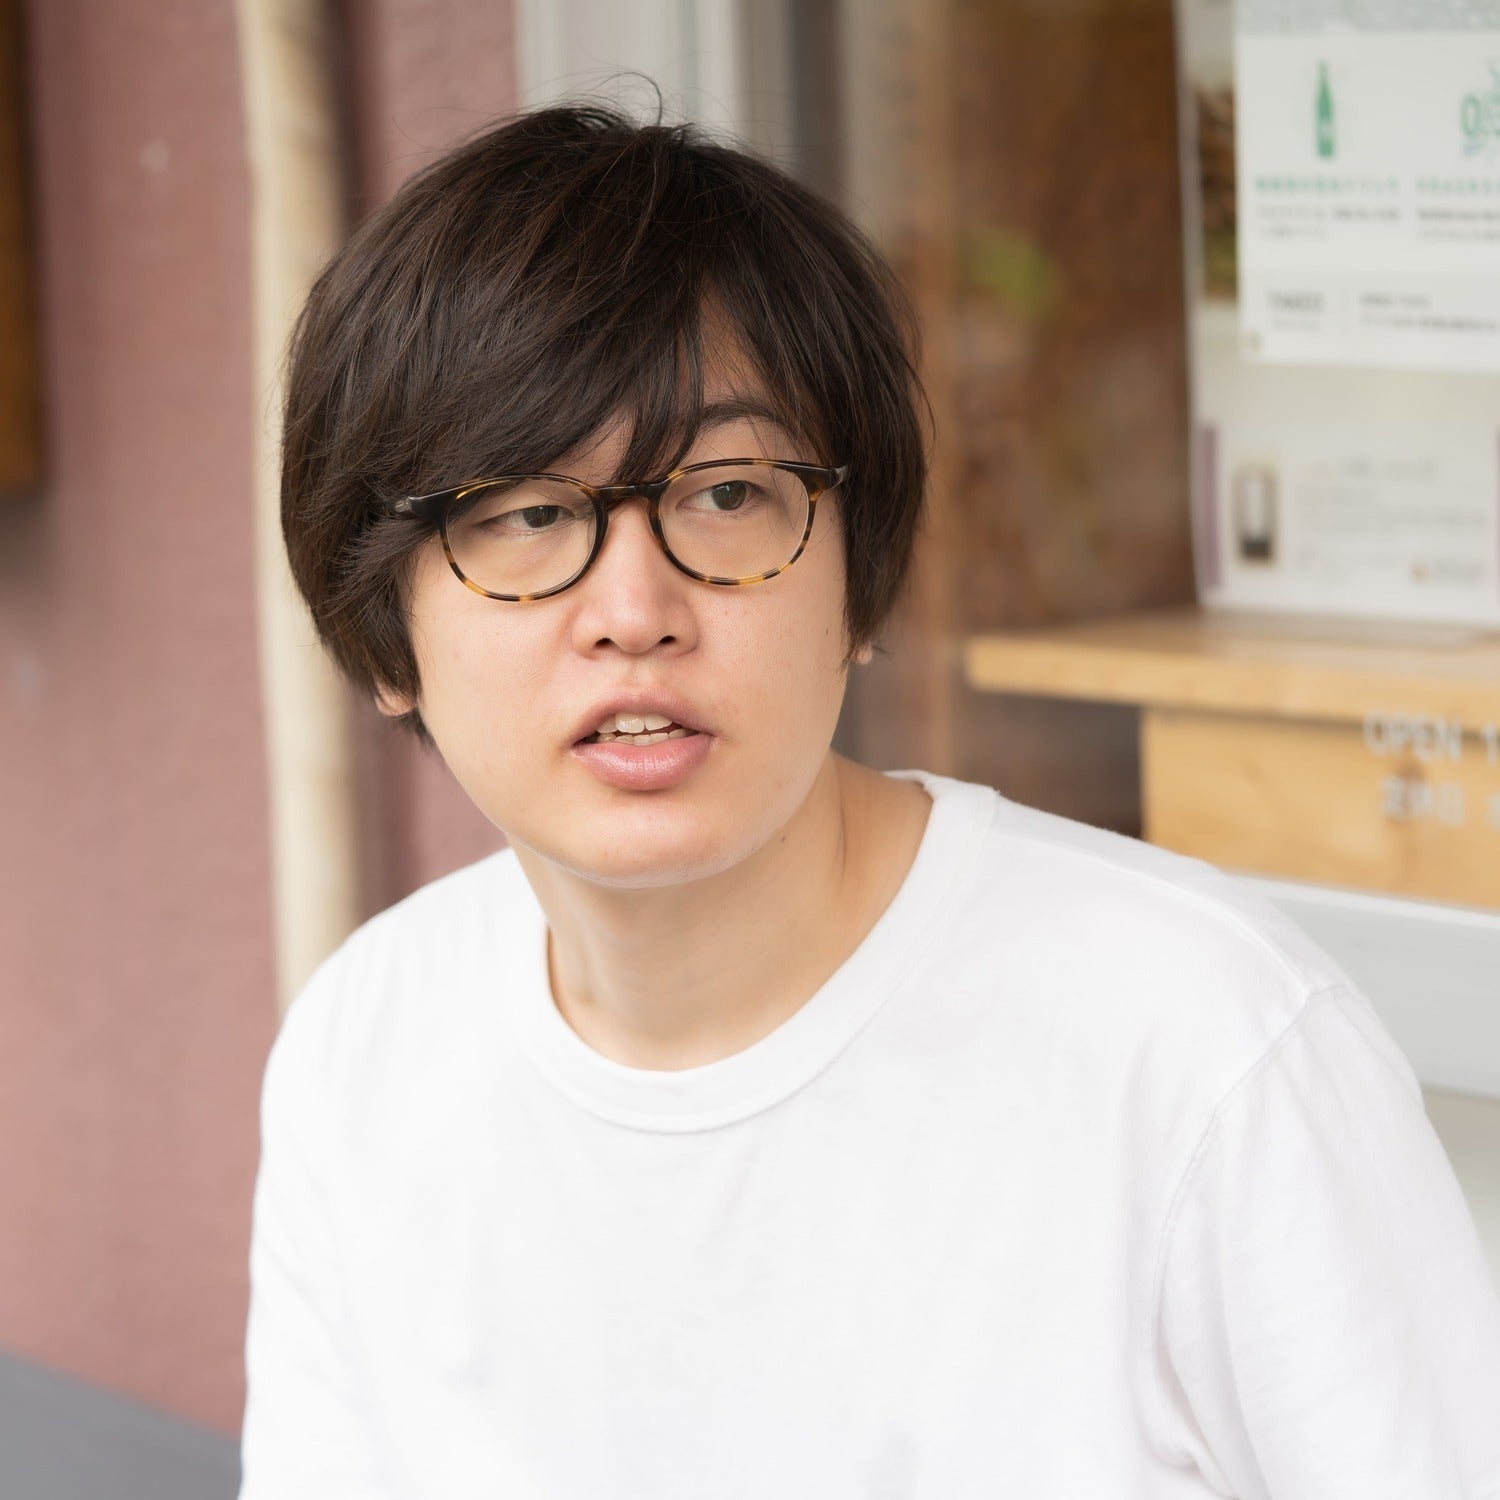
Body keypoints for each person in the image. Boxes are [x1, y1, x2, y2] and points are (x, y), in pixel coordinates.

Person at [238, 105, 1500, 1499]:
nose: (635, 611)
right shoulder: (368, 1049)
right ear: (384, 634)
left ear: (859, 580)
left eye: (727, 494)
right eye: (530, 515)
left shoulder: (1205, 1046)